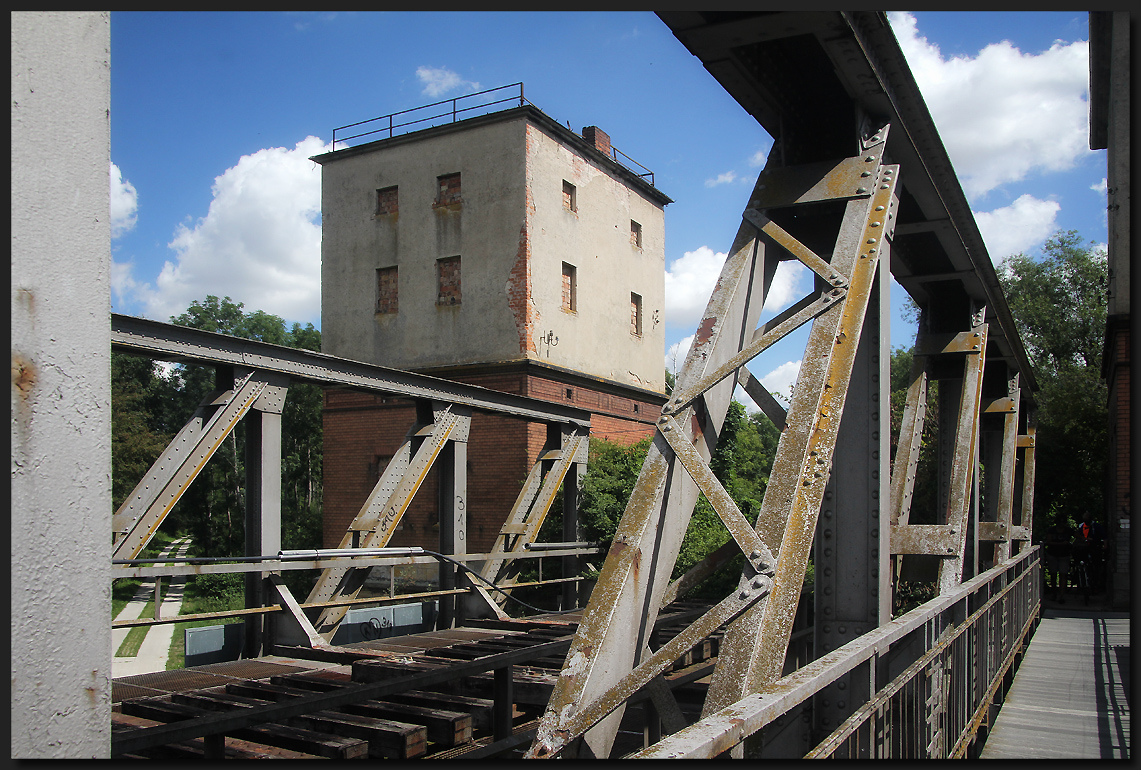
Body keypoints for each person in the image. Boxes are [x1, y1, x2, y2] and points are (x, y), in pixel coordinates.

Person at [1072, 512, 1106, 594]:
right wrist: (1082, 538)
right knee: (1080, 563)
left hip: (1094, 548)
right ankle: (1080, 581)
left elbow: (1104, 537)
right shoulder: (1081, 526)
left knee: (1095, 566)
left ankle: (1095, 584)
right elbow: (1077, 535)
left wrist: (1104, 546)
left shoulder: (1096, 526)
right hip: (1083, 548)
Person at [1042, 524, 1071, 603]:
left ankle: (1061, 595)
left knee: (1063, 575)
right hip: (1053, 555)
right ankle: (1054, 593)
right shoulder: (1052, 530)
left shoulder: (1068, 530)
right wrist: (1062, 544)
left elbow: (1077, 535)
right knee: (1053, 575)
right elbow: (1048, 541)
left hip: (1064, 555)